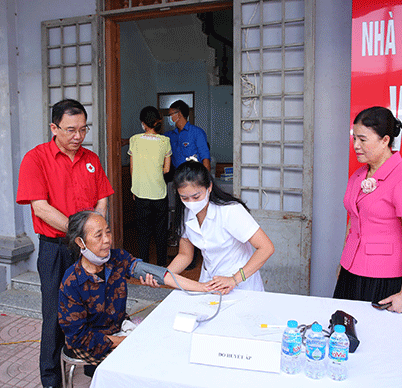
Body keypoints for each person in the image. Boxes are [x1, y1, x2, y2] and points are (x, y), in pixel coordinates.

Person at [16, 99, 114, 388]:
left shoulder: (91, 159)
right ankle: (51, 380)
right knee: (56, 315)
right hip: (56, 249)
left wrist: (96, 236)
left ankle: (96, 371)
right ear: (54, 127)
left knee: (96, 309)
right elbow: (41, 208)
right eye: (71, 130)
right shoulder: (36, 159)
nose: (78, 136)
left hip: (88, 247)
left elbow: (102, 198)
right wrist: (82, 234)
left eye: (83, 129)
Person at [58, 210, 209, 368]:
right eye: (98, 235)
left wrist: (203, 287)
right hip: (91, 342)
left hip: (117, 328)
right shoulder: (72, 282)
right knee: (136, 363)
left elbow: (161, 275)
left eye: (108, 232)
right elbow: (78, 336)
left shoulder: (118, 258)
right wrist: (124, 340)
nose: (107, 240)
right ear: (81, 242)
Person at [333, 106, 402, 314]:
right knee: (344, 334)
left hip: (382, 278)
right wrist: (343, 262)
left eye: (363, 140)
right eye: (354, 138)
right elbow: (354, 221)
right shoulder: (359, 174)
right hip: (350, 271)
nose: (356, 145)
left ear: (385, 140)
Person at [146, 160, 274, 294]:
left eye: (196, 196)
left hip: (240, 282)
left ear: (209, 187)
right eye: (184, 198)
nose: (191, 203)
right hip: (210, 281)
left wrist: (234, 279)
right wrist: (163, 276)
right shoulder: (185, 213)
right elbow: (185, 255)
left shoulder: (230, 211)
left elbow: (266, 248)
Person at [128, 106, 171, 266]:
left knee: (143, 232)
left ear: (143, 123)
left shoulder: (134, 140)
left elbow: (132, 168)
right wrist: (155, 169)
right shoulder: (164, 141)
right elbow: (166, 169)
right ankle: (161, 265)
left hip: (140, 193)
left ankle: (144, 265)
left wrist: (135, 188)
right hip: (160, 193)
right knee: (160, 231)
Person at [164, 100, 211, 173]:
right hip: (177, 176)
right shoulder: (170, 135)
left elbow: (205, 158)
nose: (170, 117)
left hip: (193, 176)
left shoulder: (197, 132)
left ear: (179, 114)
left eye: (171, 115)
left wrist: (206, 180)